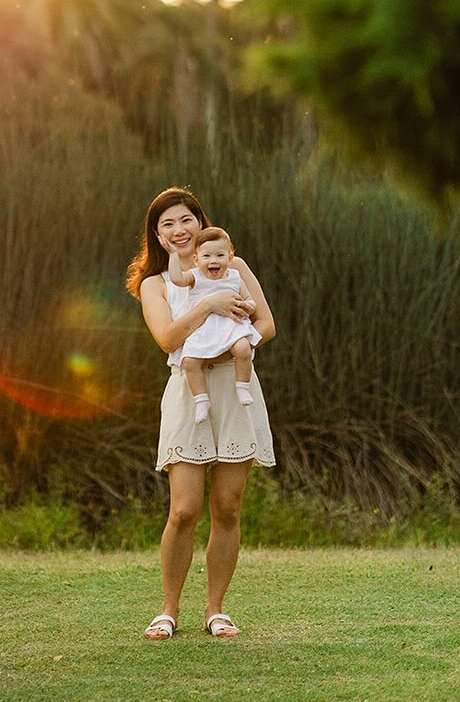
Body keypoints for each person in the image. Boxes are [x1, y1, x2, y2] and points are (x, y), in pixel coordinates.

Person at [125, 186, 275, 641]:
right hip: (188, 393)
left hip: (235, 384)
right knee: (185, 509)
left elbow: (267, 324)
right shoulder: (157, 283)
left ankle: (215, 610)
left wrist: (239, 340)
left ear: (200, 221)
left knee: (227, 506)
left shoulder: (234, 266)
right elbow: (168, 338)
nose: (178, 230)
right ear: (157, 234)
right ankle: (169, 610)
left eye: (185, 220)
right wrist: (209, 304)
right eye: (166, 224)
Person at [167, 226, 260, 424]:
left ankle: (242, 386)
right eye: (207, 256)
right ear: (196, 259)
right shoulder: (195, 276)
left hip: (231, 326)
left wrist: (246, 306)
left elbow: (252, 302)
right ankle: (201, 400)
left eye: (220, 255)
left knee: (243, 349)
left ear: (230, 256)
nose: (213, 260)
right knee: (190, 362)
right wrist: (173, 255)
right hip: (204, 329)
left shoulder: (235, 277)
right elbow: (176, 278)